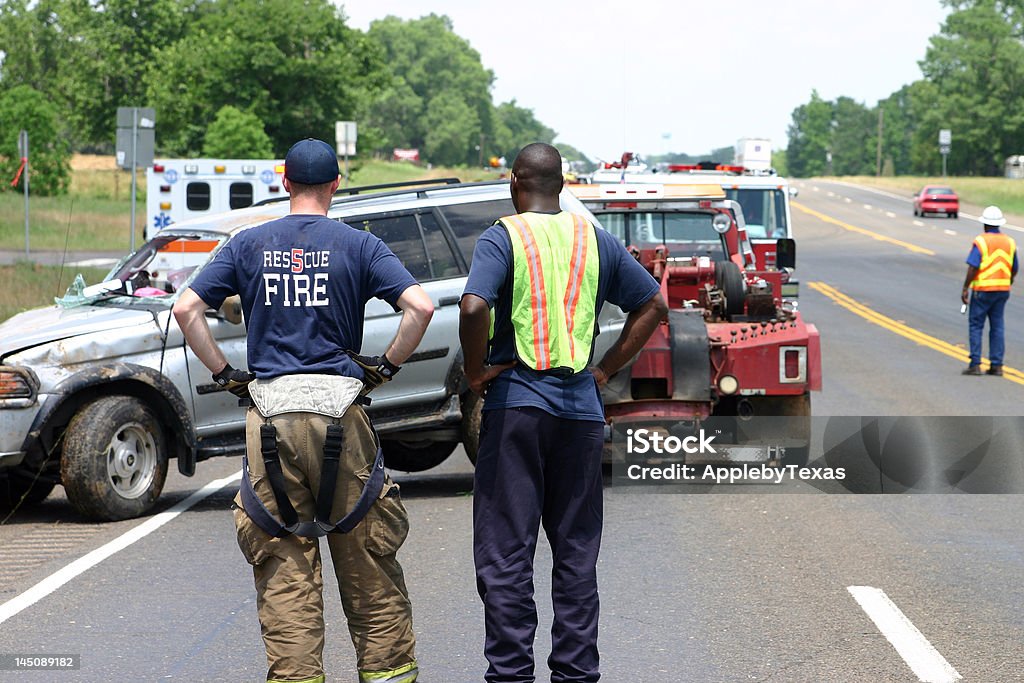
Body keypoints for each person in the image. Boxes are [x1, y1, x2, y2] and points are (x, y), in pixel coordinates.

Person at [172, 138, 433, 683]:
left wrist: (225, 375)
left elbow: (186, 307)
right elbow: (420, 306)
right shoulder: (359, 245)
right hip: (341, 412)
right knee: (367, 558)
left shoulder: (247, 244)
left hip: (270, 418)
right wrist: (384, 367)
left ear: (284, 183)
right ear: (336, 184)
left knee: (284, 563)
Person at [459, 142, 667, 682]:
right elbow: (653, 305)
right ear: (563, 184)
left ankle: (510, 675)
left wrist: (478, 371)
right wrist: (606, 369)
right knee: (575, 552)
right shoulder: (593, 239)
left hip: (517, 407)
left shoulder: (503, 236)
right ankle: (575, 674)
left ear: (514, 182)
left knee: (507, 551)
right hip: (580, 412)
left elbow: (475, 305)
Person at [961, 205, 1017, 376]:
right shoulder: (1009, 241)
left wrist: (965, 287)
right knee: (997, 326)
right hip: (1002, 290)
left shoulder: (981, 241)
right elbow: (1015, 267)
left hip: (983, 290)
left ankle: (975, 364)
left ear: (984, 223)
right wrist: (1009, 280)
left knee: (976, 325)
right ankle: (997, 365)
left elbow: (973, 266)